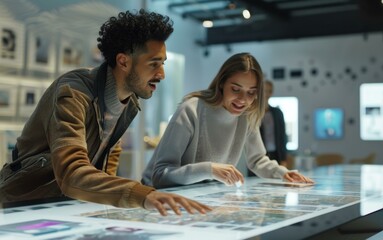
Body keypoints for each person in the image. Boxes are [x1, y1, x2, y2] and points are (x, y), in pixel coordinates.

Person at [0, 9, 211, 217]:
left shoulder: (128, 103)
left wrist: (106, 210)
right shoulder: (73, 93)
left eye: (162, 64)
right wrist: (143, 195)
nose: (162, 74)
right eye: (154, 64)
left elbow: (107, 165)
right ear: (123, 61)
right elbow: (71, 174)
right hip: (23, 206)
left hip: (66, 207)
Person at [141, 52, 314, 188]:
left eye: (251, 92)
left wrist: (283, 174)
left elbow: (257, 160)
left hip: (198, 196)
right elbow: (160, 175)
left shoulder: (247, 115)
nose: (243, 100)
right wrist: (209, 170)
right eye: (236, 89)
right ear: (222, 83)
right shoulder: (191, 109)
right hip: (156, 196)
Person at [248, 80, 288, 177]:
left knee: (278, 179)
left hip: (276, 154)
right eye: (264, 91)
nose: (266, 94)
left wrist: (284, 158)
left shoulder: (278, 113)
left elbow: (282, 136)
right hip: (257, 155)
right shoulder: (252, 113)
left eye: (269, 91)